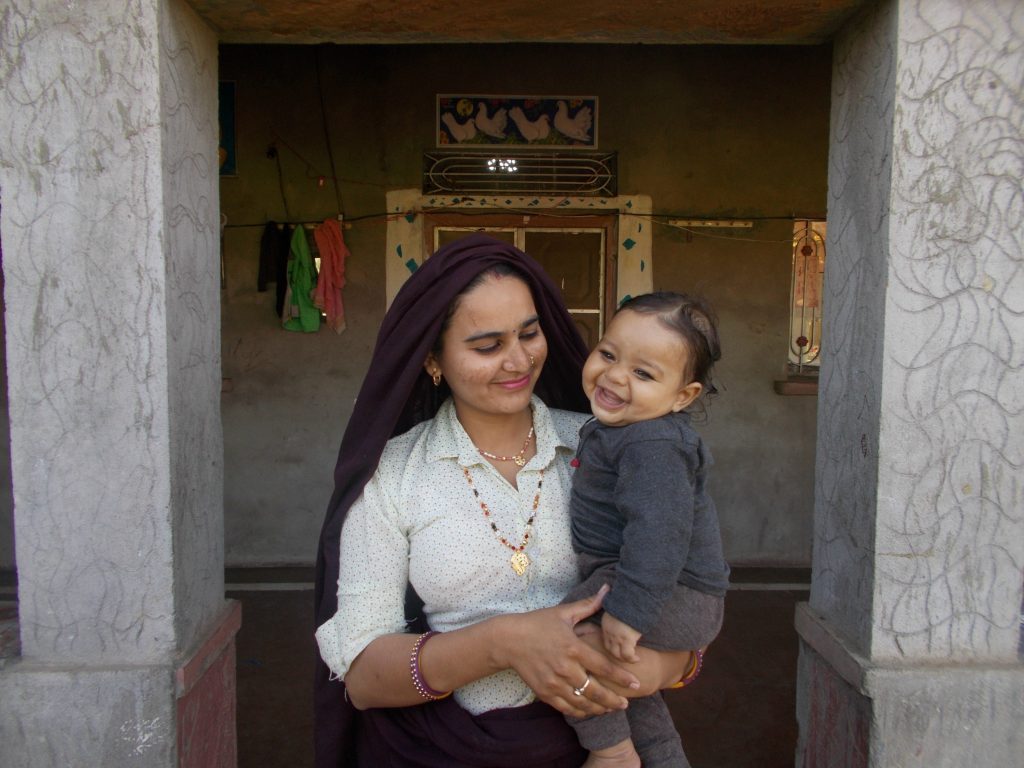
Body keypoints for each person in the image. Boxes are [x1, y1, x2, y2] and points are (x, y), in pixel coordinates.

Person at [313, 235, 700, 767]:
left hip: (599, 746)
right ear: (433, 359)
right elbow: (362, 679)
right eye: (486, 345)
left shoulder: (615, 448)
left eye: (529, 333)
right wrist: (503, 643)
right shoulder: (393, 474)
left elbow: (686, 584)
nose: (518, 360)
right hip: (441, 749)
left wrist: (664, 669)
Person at [562, 292, 730, 767]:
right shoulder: (624, 429)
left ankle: (611, 751)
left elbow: (659, 534)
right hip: (658, 585)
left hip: (670, 590)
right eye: (608, 354)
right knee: (629, 689)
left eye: (643, 373)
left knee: (563, 637)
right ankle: (657, 757)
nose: (615, 376)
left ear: (683, 396)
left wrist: (628, 611)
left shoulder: (653, 443)